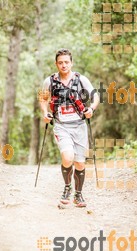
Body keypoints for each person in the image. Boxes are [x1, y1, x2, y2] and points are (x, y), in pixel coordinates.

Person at [39, 48, 99, 207]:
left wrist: (91, 109)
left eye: (66, 62)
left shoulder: (81, 79)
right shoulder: (49, 81)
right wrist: (45, 113)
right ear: (56, 64)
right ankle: (67, 187)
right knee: (67, 157)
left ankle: (78, 195)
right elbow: (43, 98)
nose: (64, 65)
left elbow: (95, 96)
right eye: (60, 62)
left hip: (79, 126)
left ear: (71, 63)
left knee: (80, 163)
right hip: (61, 125)